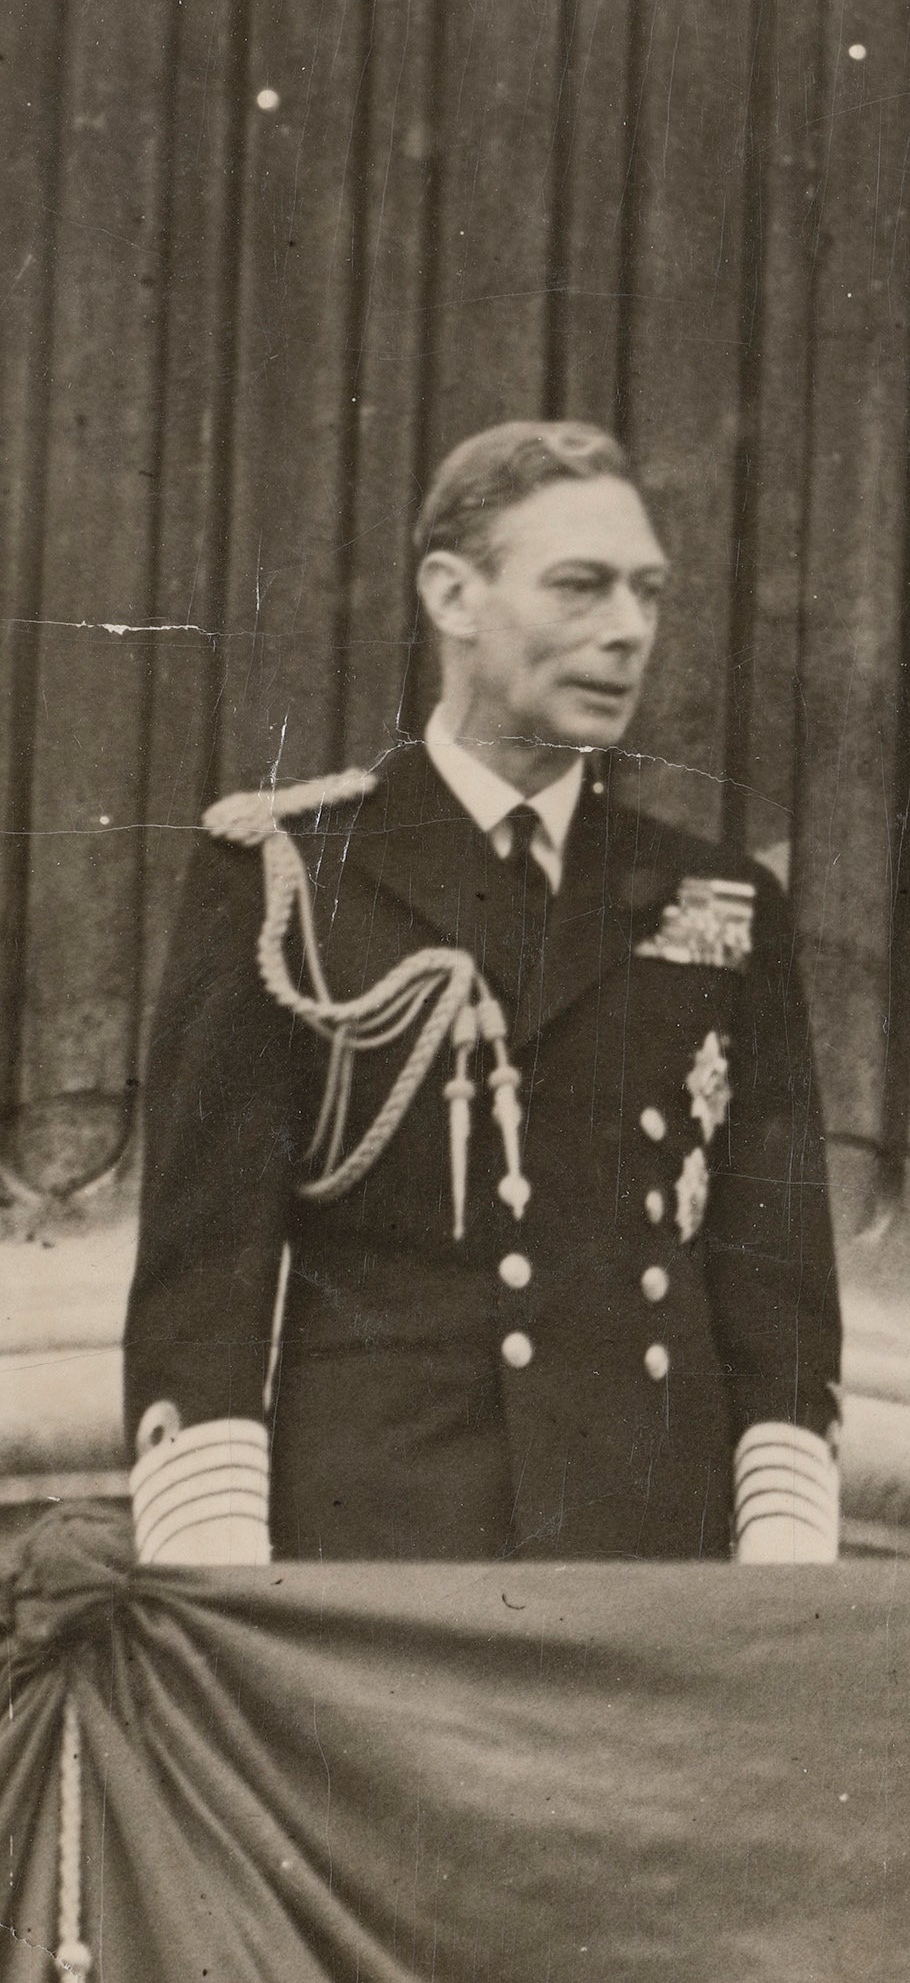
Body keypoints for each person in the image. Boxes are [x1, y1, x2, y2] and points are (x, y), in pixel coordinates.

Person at [121, 420, 847, 1565]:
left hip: (657, 1559)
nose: (628, 631)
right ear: (454, 595)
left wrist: (784, 1567)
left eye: (648, 593)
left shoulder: (721, 896)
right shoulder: (288, 874)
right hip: (379, 1555)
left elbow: (780, 1274)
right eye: (581, 587)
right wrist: (224, 1584)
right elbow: (205, 1276)